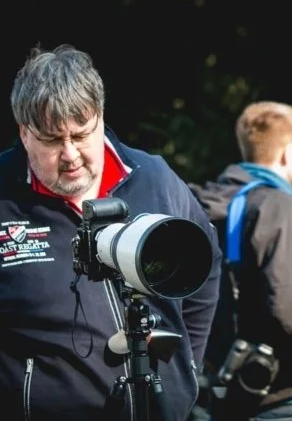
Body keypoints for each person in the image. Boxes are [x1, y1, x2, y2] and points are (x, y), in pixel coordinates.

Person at [0, 44, 222, 421]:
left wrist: (186, 366)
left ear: (100, 118)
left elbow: (206, 265)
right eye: (52, 140)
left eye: (81, 134)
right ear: (24, 133)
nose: (69, 154)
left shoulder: (153, 177)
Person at [188, 101, 292, 421]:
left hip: (223, 389)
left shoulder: (216, 201)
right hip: (279, 396)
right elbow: (285, 306)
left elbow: (239, 283)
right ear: (288, 153)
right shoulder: (276, 202)